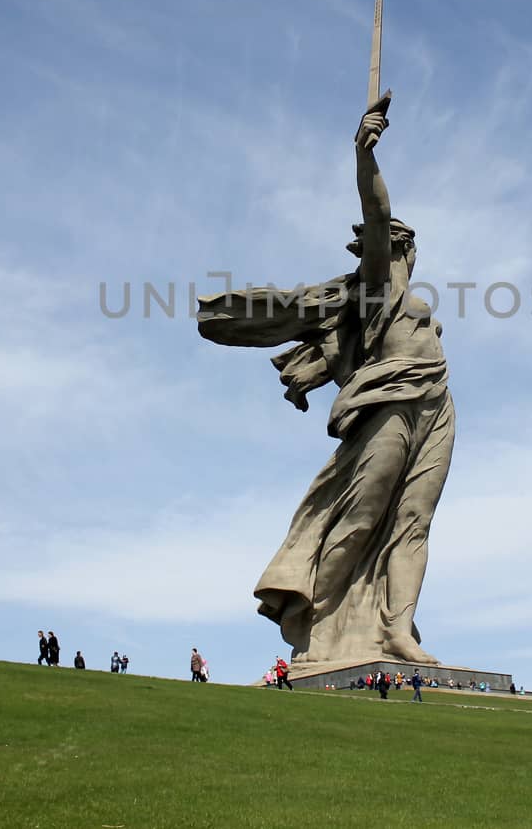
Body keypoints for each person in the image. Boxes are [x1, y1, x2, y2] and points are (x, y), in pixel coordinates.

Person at [197, 94, 453, 667]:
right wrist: (365, 154)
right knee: (362, 514)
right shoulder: (376, 291)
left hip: (437, 402)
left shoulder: (417, 304)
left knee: (415, 521)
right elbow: (379, 210)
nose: (398, 255)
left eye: (403, 249)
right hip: (389, 404)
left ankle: (397, 630)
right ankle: (315, 620)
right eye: (391, 247)